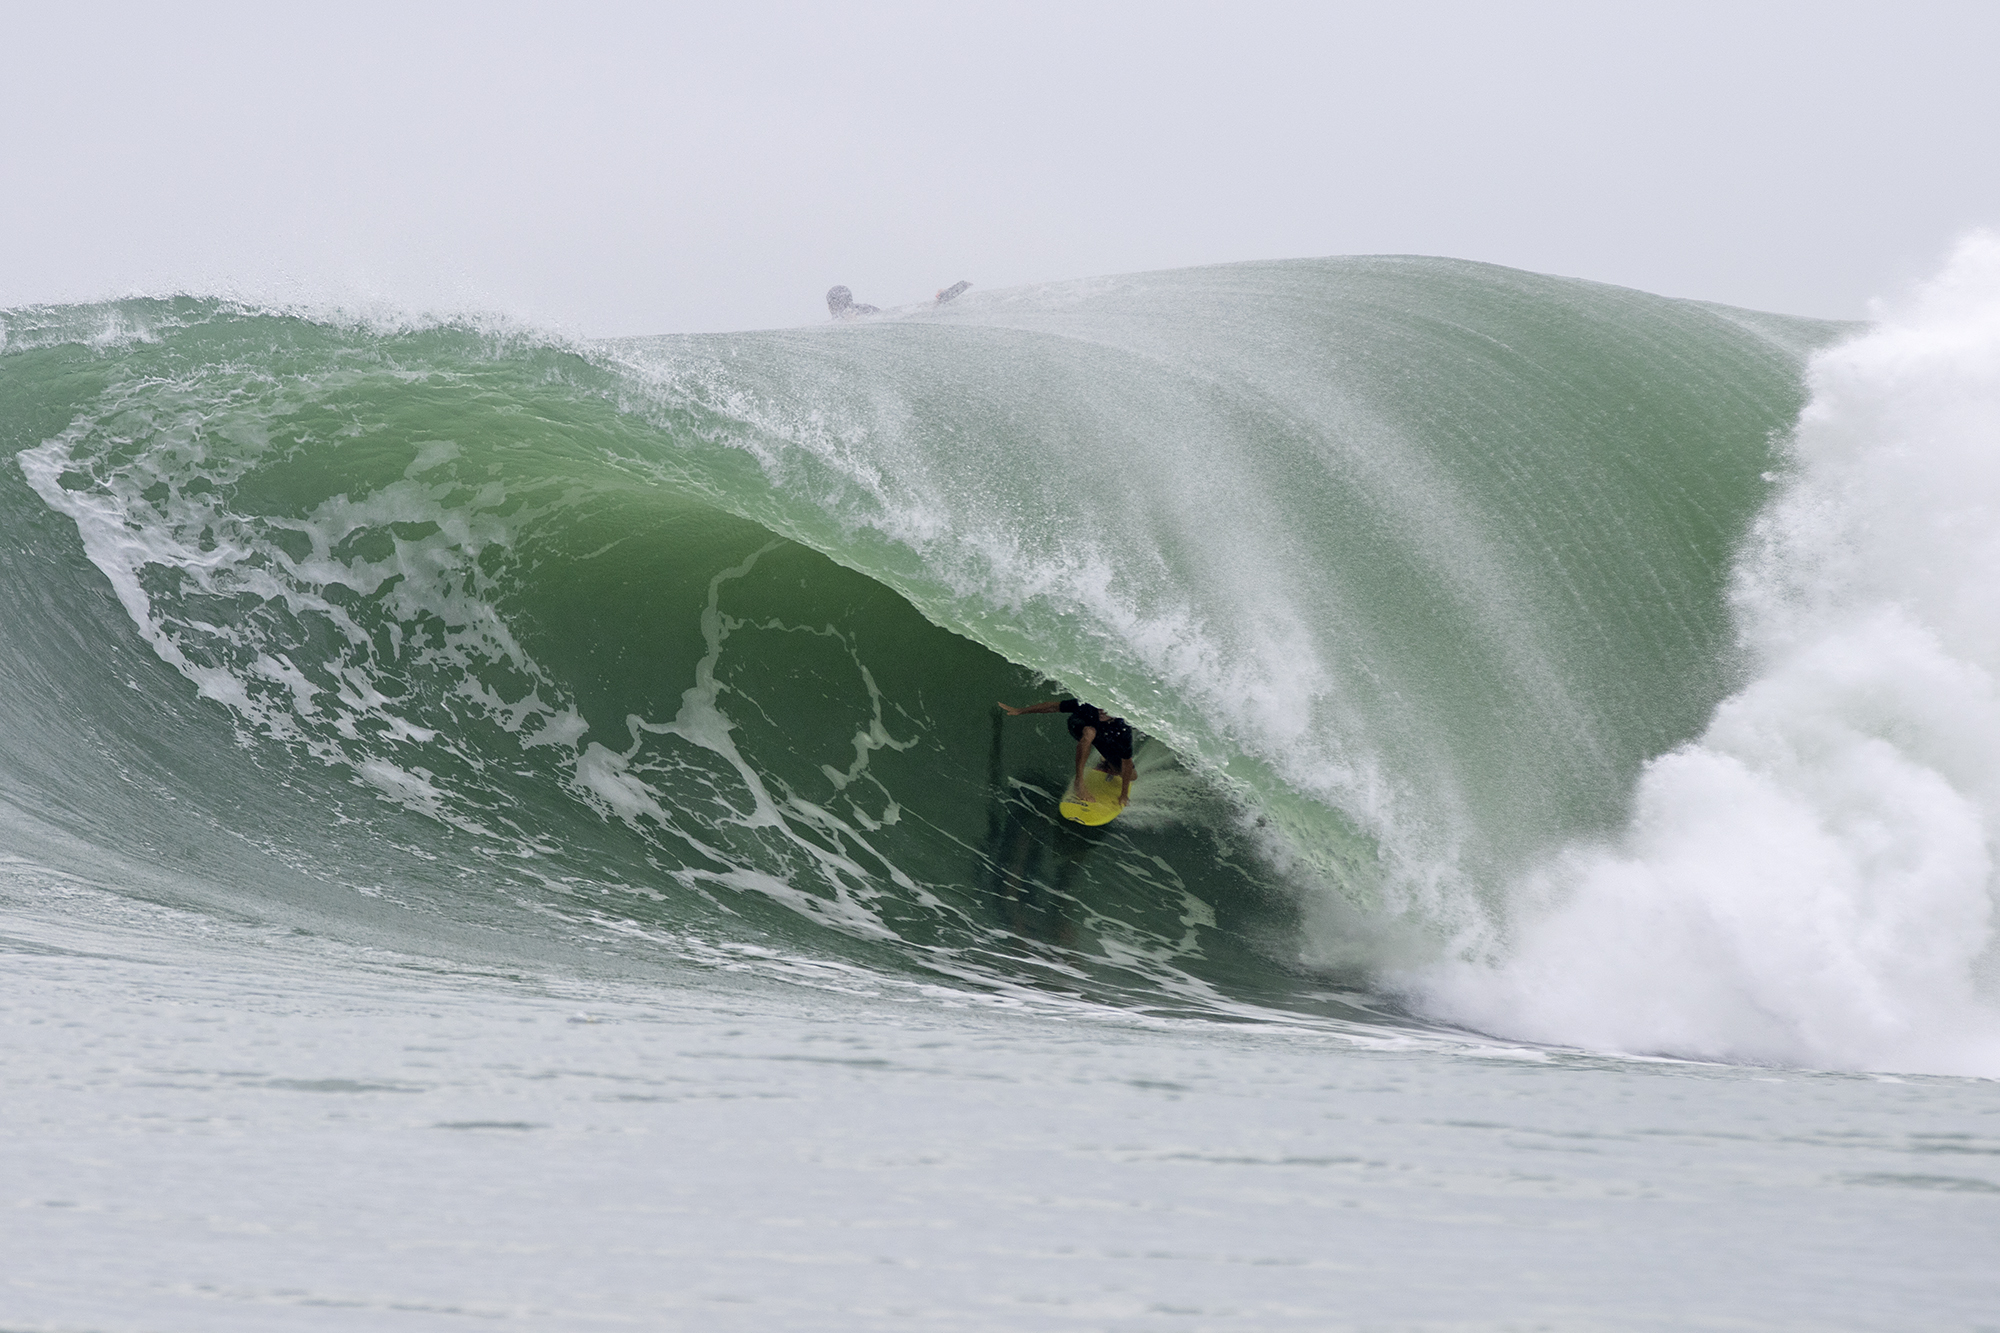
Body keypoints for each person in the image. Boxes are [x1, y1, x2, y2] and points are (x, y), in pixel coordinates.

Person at [997, 698, 1136, 807]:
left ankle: (1106, 763)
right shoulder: (1088, 705)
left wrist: (1124, 794)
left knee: (1131, 776)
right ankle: (1079, 782)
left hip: (1105, 736)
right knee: (1089, 733)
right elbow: (1053, 706)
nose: (1101, 710)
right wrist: (1020, 711)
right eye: (1101, 707)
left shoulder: (1122, 729)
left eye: (1107, 710)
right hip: (1079, 726)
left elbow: (1127, 762)